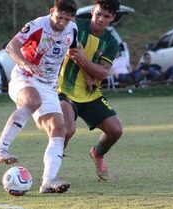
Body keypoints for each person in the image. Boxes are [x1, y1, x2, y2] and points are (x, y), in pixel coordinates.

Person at [0, 0, 78, 194]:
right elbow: (11, 47)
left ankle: (48, 182)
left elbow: (73, 51)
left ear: (72, 18)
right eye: (59, 17)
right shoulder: (37, 25)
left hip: (48, 86)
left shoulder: (72, 29)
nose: (61, 22)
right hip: (25, 77)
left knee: (59, 128)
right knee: (32, 101)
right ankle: (0, 150)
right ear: (51, 11)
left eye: (66, 18)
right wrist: (25, 64)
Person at [57, 0, 122, 181]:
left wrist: (85, 65)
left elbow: (102, 73)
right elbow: (72, 52)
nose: (100, 19)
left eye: (106, 16)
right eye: (98, 14)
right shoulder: (76, 26)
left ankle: (98, 153)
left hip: (91, 93)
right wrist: (88, 71)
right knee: (67, 130)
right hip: (65, 90)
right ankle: (50, 172)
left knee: (115, 130)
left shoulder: (111, 42)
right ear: (93, 10)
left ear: (112, 18)